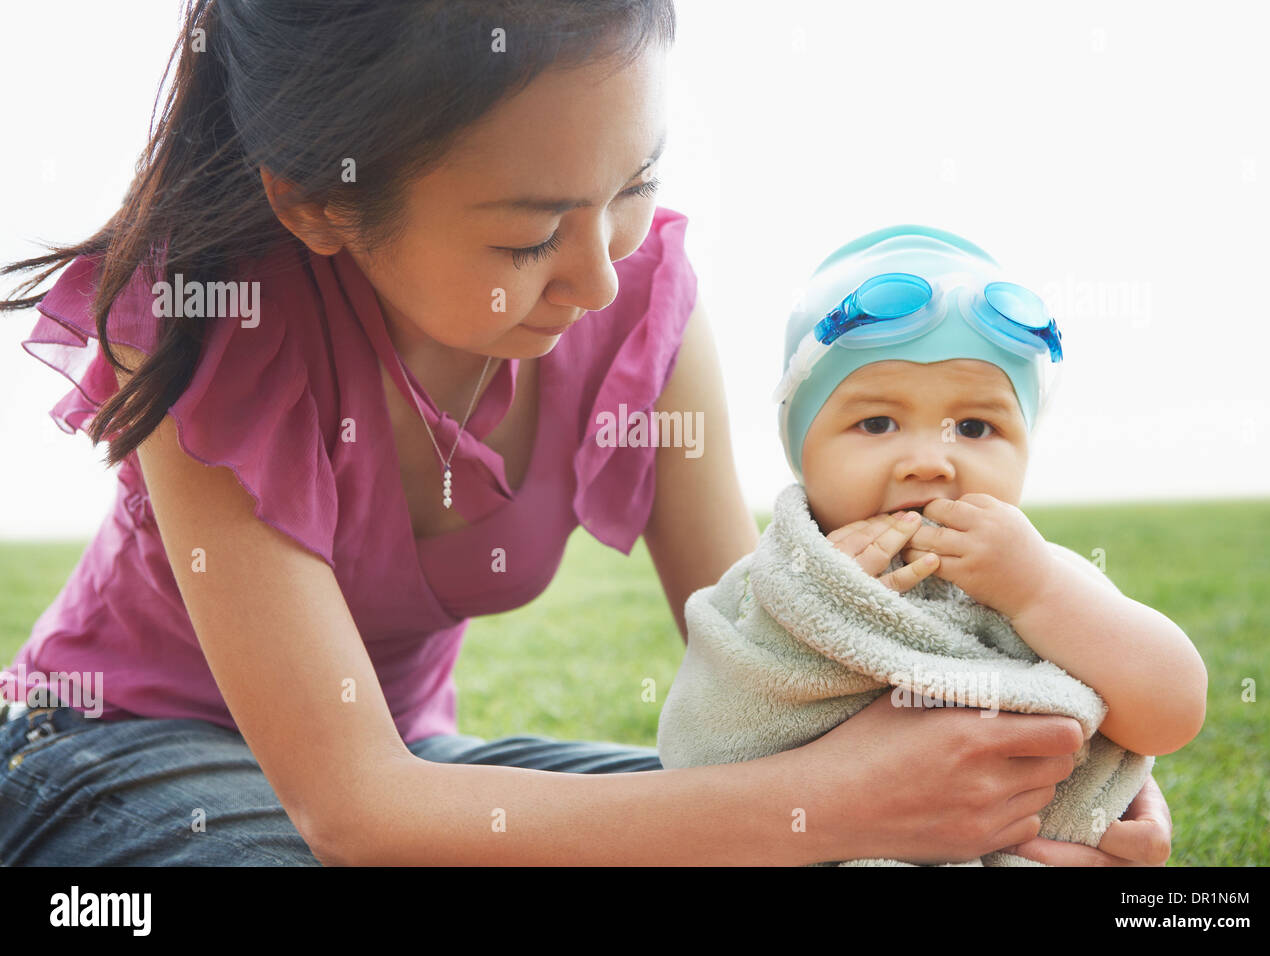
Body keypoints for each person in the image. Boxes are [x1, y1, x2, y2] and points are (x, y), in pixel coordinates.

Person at [0, 0, 1173, 866]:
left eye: (634, 182)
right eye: (526, 238)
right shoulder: (208, 317)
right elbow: (351, 812)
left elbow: (787, 653)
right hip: (116, 749)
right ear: (318, 202)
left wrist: (1030, 778)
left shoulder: (642, 295)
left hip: (414, 777)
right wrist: (843, 802)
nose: (603, 278)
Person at [657, 225, 1205, 865]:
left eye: (975, 426)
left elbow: (1173, 712)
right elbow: (698, 748)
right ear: (800, 449)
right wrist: (812, 607)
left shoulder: (1048, 581)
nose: (929, 461)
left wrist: (1037, 593)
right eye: (877, 422)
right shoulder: (770, 588)